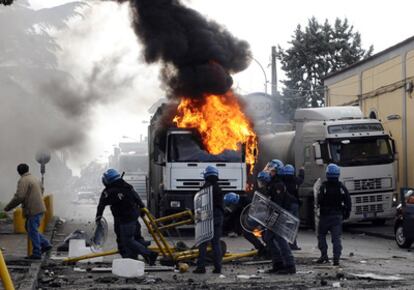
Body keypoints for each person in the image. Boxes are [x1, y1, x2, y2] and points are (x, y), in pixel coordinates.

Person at [95, 169, 158, 265]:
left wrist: (98, 217)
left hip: (125, 219)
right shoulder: (127, 186)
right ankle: (139, 257)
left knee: (128, 240)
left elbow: (101, 205)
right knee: (137, 238)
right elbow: (137, 197)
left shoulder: (109, 192)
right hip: (134, 216)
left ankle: (149, 254)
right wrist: (142, 208)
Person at [4, 163, 52, 260]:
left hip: (33, 209)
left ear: (19, 172)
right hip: (39, 207)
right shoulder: (34, 178)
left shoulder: (23, 180)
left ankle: (37, 253)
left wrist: (8, 207)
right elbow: (42, 189)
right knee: (29, 228)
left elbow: (19, 196)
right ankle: (46, 244)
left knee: (32, 230)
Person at [316, 163, 351, 266]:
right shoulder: (341, 187)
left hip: (325, 216)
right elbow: (348, 201)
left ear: (327, 174)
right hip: (337, 216)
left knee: (321, 235)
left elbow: (319, 200)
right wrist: (346, 213)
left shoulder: (323, 187)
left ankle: (324, 255)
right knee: (336, 238)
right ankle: (336, 258)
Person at [194, 165, 224, 274]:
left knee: (203, 242)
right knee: (216, 243)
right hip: (218, 216)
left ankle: (201, 267)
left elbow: (199, 205)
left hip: (206, 215)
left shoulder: (204, 188)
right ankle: (218, 268)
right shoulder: (218, 188)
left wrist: (197, 218)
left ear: (206, 175)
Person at [264, 179, 297, 274]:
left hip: (280, 213)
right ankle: (278, 264)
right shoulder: (271, 185)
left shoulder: (278, 184)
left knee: (280, 238)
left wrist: (274, 218)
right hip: (274, 214)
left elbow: (278, 202)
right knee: (268, 238)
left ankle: (290, 265)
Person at [224, 191, 267, 258]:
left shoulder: (247, 201)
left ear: (233, 203)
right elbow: (231, 219)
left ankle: (268, 251)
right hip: (253, 221)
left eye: (230, 206)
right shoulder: (237, 206)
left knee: (266, 236)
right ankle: (261, 249)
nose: (230, 208)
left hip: (261, 219)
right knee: (246, 233)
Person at [281, 164, 304, 250]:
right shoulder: (295, 180)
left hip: (285, 206)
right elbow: (301, 179)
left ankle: (285, 244)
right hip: (294, 205)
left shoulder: (281, 181)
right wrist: (302, 170)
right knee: (294, 225)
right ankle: (293, 244)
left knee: (285, 225)